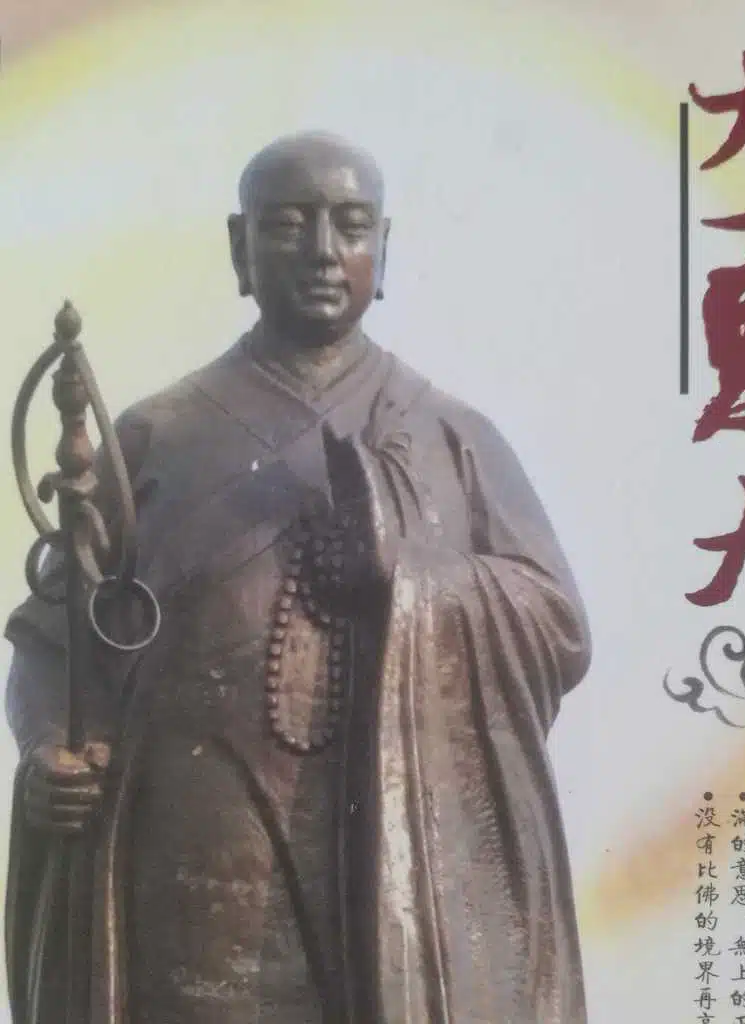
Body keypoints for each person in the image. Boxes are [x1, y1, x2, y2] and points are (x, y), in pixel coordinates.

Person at [5, 131, 591, 1024]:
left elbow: (555, 622)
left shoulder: (451, 438)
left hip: (397, 850)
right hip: (196, 847)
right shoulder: (157, 436)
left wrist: (407, 579)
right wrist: (49, 743)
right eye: (287, 224)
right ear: (239, 247)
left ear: (382, 249)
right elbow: (54, 643)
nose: (322, 250)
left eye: (349, 225)